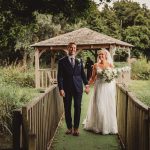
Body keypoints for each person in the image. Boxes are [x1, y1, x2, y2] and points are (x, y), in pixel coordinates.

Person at [57, 42, 90, 136]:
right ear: (68, 48)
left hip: (78, 88)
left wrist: (86, 85)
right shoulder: (62, 61)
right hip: (66, 89)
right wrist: (61, 88)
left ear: (76, 49)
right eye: (71, 47)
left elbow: (83, 74)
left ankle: (76, 129)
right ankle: (69, 128)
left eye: (74, 48)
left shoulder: (79, 61)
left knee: (78, 108)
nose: (73, 49)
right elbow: (60, 77)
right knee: (67, 108)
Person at [83, 49, 118, 134]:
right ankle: (98, 126)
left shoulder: (110, 64)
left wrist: (110, 78)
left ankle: (107, 127)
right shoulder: (95, 65)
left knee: (108, 106)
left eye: (102, 54)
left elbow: (114, 76)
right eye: (99, 55)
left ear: (106, 55)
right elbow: (92, 77)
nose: (101, 56)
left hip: (108, 88)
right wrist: (87, 86)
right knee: (99, 105)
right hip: (98, 88)